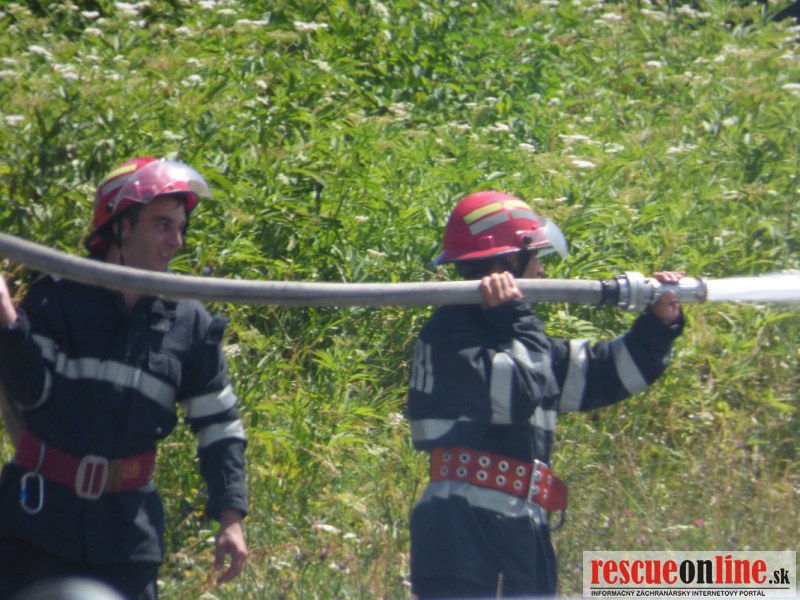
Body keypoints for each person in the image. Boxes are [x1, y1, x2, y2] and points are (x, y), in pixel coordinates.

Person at [406, 191, 685, 599]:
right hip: (467, 533)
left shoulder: (514, 338)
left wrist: (658, 326)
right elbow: (519, 394)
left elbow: (607, 372)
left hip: (517, 529)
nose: (540, 269)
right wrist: (517, 317)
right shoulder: (451, 335)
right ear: (506, 263)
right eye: (534, 257)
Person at [0, 157, 249, 600]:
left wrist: (231, 517)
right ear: (120, 226)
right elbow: (31, 394)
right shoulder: (57, 296)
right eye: (161, 225)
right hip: (37, 523)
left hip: (128, 535)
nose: (175, 241)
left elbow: (219, 425)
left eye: (180, 227)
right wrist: (8, 324)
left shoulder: (190, 320)